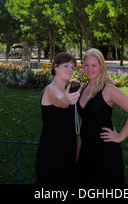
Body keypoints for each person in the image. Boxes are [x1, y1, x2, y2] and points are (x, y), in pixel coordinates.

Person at [77, 48, 128, 186]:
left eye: (94, 65)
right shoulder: (83, 88)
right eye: (86, 65)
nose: (89, 69)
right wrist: (78, 154)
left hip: (105, 153)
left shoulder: (108, 90)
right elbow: (85, 122)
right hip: (86, 153)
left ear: (101, 66)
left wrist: (120, 136)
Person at [35, 52, 81, 185]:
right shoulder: (51, 89)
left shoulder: (66, 89)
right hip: (52, 156)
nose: (70, 70)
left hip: (67, 153)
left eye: (72, 67)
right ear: (55, 66)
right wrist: (66, 100)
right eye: (66, 66)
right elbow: (60, 101)